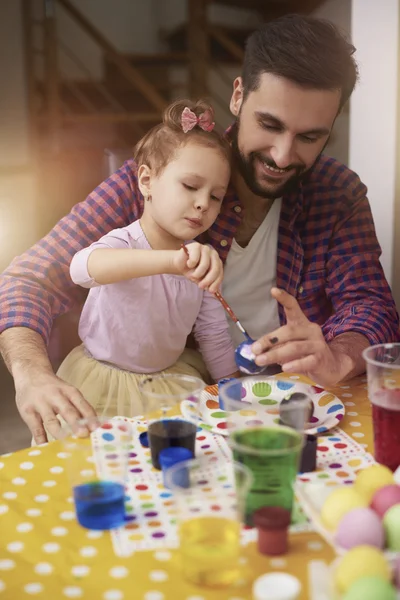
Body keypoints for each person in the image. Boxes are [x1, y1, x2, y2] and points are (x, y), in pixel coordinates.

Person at [0, 14, 398, 445]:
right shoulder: (165, 178)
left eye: (309, 137)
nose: (283, 156)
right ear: (238, 95)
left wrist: (338, 357)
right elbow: (31, 277)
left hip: (294, 410)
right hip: (190, 411)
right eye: (270, 125)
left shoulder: (338, 194)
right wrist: (33, 376)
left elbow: (372, 307)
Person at [57, 98, 238, 421]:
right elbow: (81, 269)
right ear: (146, 181)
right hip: (102, 381)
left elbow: (213, 335)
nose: (202, 204)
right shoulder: (125, 241)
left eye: (215, 196)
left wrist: (233, 388)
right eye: (191, 186)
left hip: (167, 379)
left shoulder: (201, 261)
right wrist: (169, 262)